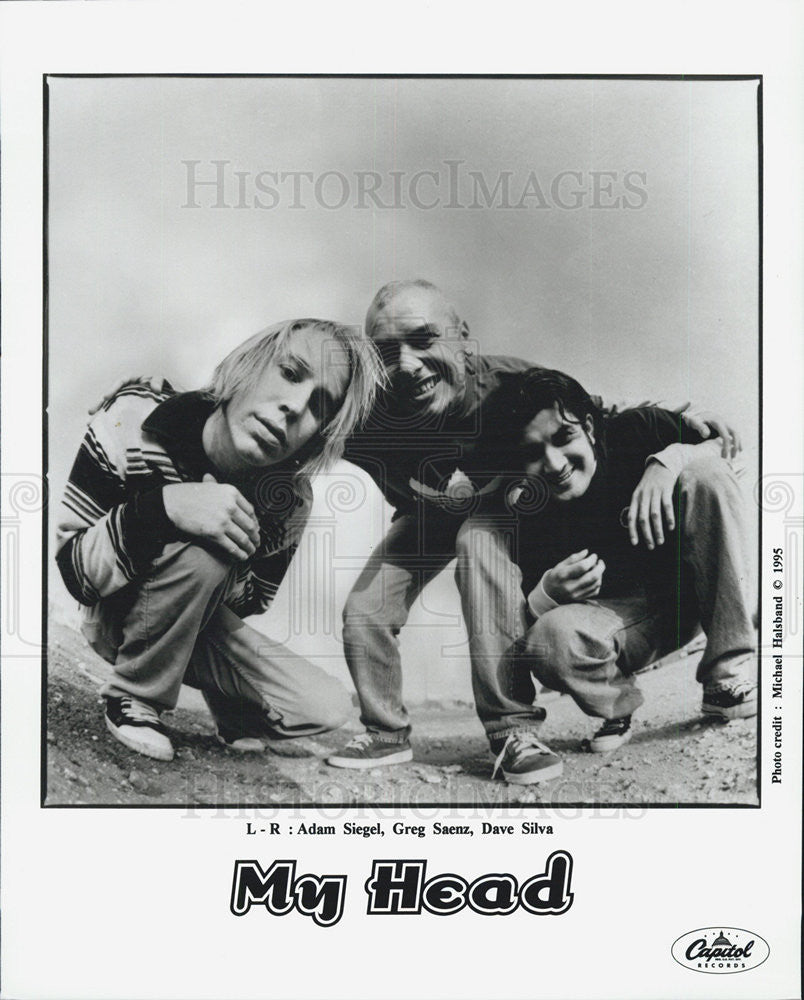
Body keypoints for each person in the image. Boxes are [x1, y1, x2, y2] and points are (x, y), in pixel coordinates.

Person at [325, 279, 742, 775]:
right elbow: (289, 427)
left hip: (501, 505)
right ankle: (382, 732)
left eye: (423, 339)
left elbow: (596, 415)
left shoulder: (510, 384)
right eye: (386, 351)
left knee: (479, 538)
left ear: (462, 334)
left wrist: (683, 427)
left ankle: (512, 731)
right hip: (428, 514)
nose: (407, 365)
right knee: (367, 606)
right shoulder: (366, 412)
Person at [55, 319, 382, 762]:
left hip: (193, 622)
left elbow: (250, 603)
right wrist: (168, 508)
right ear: (246, 366)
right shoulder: (134, 417)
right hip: (113, 610)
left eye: (319, 406)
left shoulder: (289, 500)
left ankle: (233, 714)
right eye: (290, 373)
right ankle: (134, 697)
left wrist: (233, 555)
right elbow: (75, 572)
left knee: (323, 707)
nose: (294, 407)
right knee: (205, 549)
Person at [455, 368, 756, 784]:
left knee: (704, 472)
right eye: (533, 452)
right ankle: (619, 707)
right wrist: (546, 594)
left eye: (563, 438)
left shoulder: (637, 430)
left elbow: (726, 446)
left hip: (694, 593)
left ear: (591, 427)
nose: (555, 464)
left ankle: (728, 678)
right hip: (623, 625)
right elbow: (520, 632)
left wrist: (668, 462)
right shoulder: (527, 508)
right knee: (550, 637)